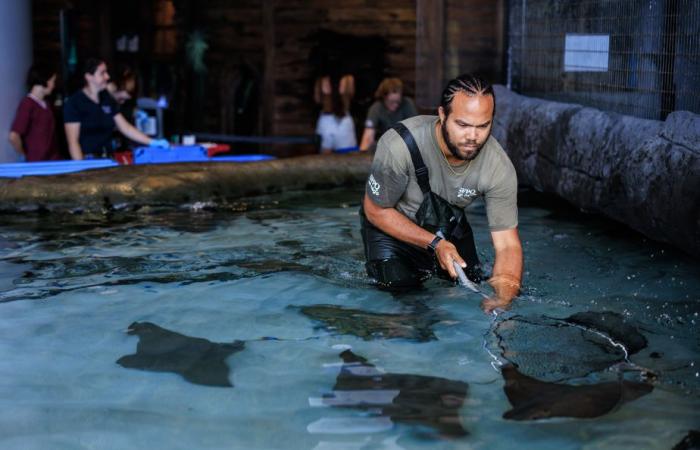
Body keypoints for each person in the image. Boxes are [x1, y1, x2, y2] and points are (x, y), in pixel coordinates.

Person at [361, 74, 523, 313]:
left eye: (483, 126)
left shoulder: (499, 167)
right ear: (442, 115)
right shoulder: (398, 145)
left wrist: (503, 297)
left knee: (477, 283)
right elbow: (374, 210)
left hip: (445, 226)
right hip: (391, 227)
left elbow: (508, 246)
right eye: (463, 124)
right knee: (403, 294)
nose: (473, 136)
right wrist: (435, 244)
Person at [63, 58, 167, 160]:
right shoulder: (74, 103)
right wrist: (81, 168)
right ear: (89, 77)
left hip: (108, 160)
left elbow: (125, 128)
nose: (107, 77)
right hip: (88, 161)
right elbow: (73, 142)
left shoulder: (106, 98)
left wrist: (152, 142)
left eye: (106, 72)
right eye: (102, 73)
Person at [9, 65, 61, 162]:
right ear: (44, 80)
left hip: (52, 160)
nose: (53, 85)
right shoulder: (28, 104)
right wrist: (24, 156)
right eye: (52, 81)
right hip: (37, 163)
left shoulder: (46, 105)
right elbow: (14, 136)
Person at [359, 77, 418, 152]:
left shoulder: (408, 104)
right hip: (385, 149)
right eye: (391, 102)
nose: (395, 105)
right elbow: (368, 137)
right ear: (383, 97)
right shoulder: (376, 108)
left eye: (398, 102)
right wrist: (362, 154)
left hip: (407, 147)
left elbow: (416, 132)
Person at [314, 73, 357, 153]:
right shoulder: (349, 79)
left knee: (344, 156)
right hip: (338, 118)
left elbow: (318, 99)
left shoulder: (321, 80)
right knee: (346, 157)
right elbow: (351, 95)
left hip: (336, 119)